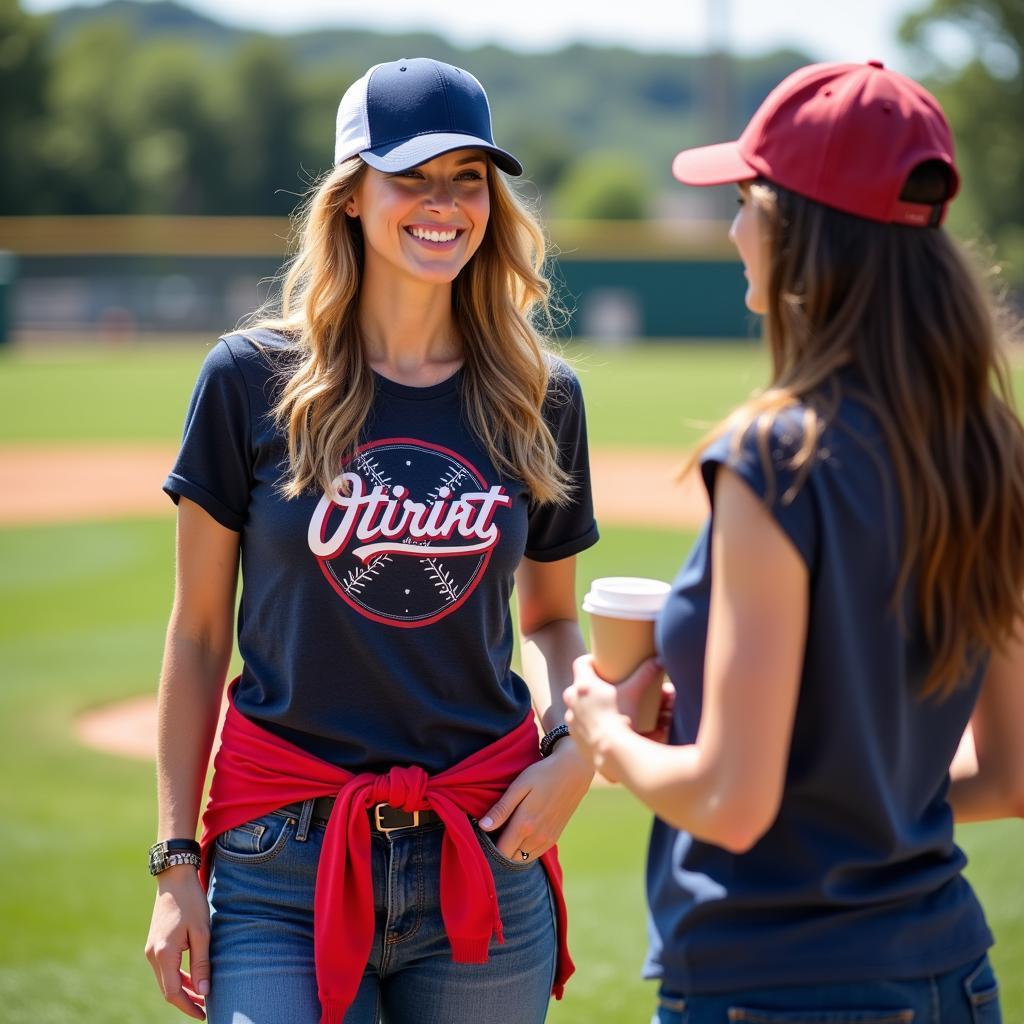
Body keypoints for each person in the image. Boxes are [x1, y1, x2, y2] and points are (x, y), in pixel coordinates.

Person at [564, 59, 1024, 1022]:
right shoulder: (991, 446)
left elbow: (733, 802)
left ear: (798, 228)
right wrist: (847, 780)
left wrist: (606, 736)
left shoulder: (777, 454)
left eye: (745, 200)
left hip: (772, 989)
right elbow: (1012, 777)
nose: (733, 230)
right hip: (951, 976)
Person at [144, 57, 599, 1024]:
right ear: (351, 196)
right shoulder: (249, 379)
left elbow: (554, 621)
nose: (444, 204)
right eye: (412, 177)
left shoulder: (540, 394)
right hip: (283, 857)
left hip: (484, 839)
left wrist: (572, 754)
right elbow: (194, 637)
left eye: (467, 178)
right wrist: (176, 858)